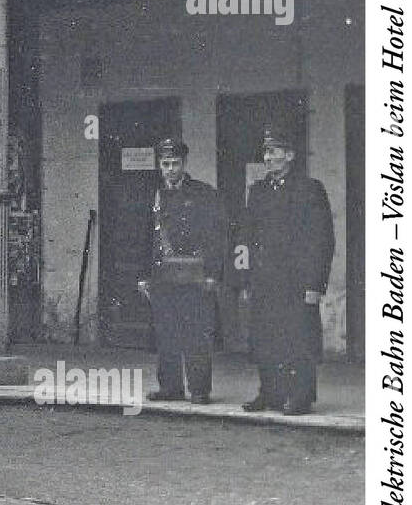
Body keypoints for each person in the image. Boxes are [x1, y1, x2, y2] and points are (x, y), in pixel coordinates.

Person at [240, 124, 334, 415]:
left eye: (274, 151)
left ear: (290, 155)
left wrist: (315, 286)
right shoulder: (257, 192)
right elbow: (247, 237)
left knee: (298, 340)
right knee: (266, 338)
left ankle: (300, 397)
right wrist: (246, 279)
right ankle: (268, 392)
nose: (268, 158)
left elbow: (322, 240)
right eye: (266, 152)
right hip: (265, 280)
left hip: (297, 283)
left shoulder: (309, 189)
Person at [138, 138, 226, 404]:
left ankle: (199, 389)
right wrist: (144, 276)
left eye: (176, 163)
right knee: (166, 334)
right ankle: (171, 387)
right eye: (166, 164)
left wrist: (213, 273)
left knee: (196, 333)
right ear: (159, 166)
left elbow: (216, 236)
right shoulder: (154, 196)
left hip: (195, 276)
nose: (171, 169)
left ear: (184, 164)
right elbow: (146, 239)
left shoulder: (203, 193)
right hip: (164, 276)